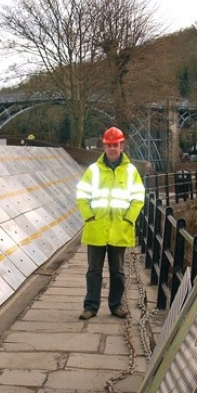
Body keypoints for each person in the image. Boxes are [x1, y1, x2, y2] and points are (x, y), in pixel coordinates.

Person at [75, 126, 145, 320]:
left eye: (116, 145)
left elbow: (138, 198)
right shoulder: (93, 170)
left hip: (119, 228)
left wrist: (128, 219)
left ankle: (116, 305)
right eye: (109, 145)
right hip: (97, 227)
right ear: (104, 146)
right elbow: (82, 196)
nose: (112, 149)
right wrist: (89, 216)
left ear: (122, 146)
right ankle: (90, 307)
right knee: (93, 271)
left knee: (118, 271)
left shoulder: (131, 171)